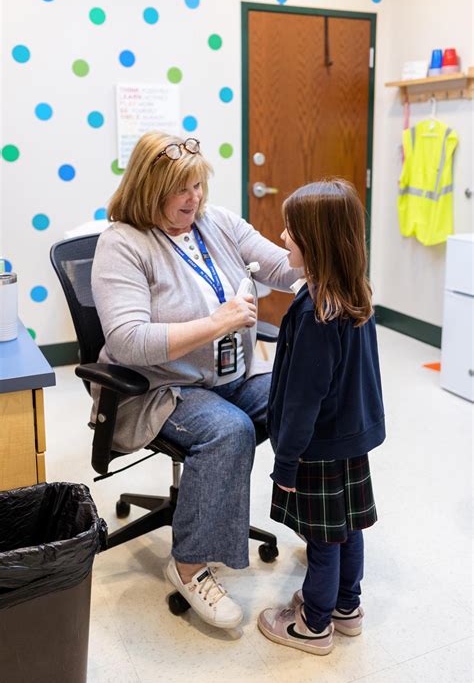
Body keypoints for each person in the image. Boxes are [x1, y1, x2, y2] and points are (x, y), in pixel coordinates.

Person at [91, 131, 302, 630]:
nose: (195, 199)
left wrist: (326, 264)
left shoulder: (217, 223)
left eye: (199, 185)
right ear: (148, 188)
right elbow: (127, 341)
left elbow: (279, 265)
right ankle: (188, 565)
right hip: (159, 389)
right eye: (181, 189)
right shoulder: (122, 244)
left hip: (232, 373)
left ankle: (319, 524)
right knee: (229, 431)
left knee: (300, 396)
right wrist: (217, 323)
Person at [258, 179, 385, 655]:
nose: (283, 236)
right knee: (349, 527)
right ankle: (346, 608)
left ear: (315, 241)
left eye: (291, 230)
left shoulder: (315, 313)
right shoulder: (356, 295)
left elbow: (302, 400)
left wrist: (286, 460)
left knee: (322, 539)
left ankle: (313, 624)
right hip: (351, 438)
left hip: (317, 446)